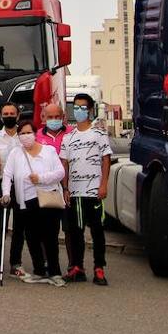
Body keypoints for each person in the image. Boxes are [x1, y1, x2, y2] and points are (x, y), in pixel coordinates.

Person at [0, 116, 67, 285]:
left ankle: (55, 272)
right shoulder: (16, 153)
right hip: (27, 201)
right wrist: (6, 193)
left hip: (47, 199)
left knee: (50, 237)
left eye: (28, 132)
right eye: (22, 133)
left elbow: (60, 173)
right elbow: (7, 175)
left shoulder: (48, 151)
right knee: (31, 236)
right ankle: (39, 270)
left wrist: (41, 178)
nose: (25, 136)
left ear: (35, 133)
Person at [61, 93, 112, 286]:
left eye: (83, 107)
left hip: (94, 191)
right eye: (76, 107)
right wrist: (65, 188)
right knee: (75, 231)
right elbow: (64, 163)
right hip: (75, 192)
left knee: (97, 231)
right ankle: (77, 267)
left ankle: (99, 268)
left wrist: (104, 184)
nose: (79, 110)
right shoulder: (68, 137)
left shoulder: (99, 134)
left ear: (90, 110)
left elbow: (106, 160)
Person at [0, 102, 24, 281]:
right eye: (5, 113)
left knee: (19, 227)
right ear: (1, 116)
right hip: (3, 184)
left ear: (17, 116)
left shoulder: (25, 135)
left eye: (12, 113)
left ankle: (15, 264)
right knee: (1, 226)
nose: (9, 116)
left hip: (23, 185)